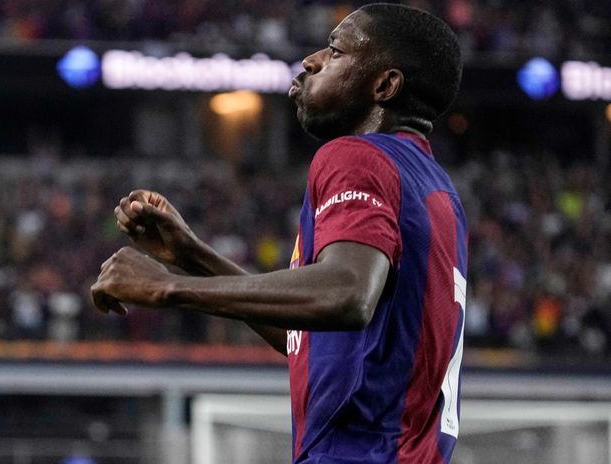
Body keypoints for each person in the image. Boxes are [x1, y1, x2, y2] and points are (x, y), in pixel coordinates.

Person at [92, 3, 467, 463]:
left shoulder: (356, 156)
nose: (310, 61)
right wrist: (191, 255)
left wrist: (165, 286)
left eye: (335, 50)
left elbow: (346, 294)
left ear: (385, 85)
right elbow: (311, 335)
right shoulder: (435, 187)